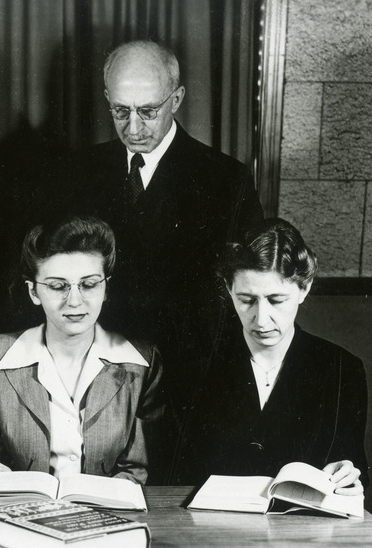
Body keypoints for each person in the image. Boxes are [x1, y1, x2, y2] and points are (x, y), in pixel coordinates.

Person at [69, 41, 264, 426]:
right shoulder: (79, 171)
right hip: (91, 384)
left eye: (148, 111)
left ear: (176, 100)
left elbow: (246, 290)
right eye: (120, 111)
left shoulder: (226, 181)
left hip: (186, 392)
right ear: (107, 98)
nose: (134, 127)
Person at [172, 219, 367, 495]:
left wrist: (348, 473)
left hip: (303, 533)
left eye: (276, 300)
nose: (261, 320)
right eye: (247, 300)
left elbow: (353, 464)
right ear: (228, 288)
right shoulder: (193, 365)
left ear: (304, 288)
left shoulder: (342, 369)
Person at [0, 216, 164, 485]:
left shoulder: (143, 363)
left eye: (89, 284)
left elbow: (136, 470)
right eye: (58, 286)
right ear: (33, 292)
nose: (74, 301)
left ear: (106, 288)